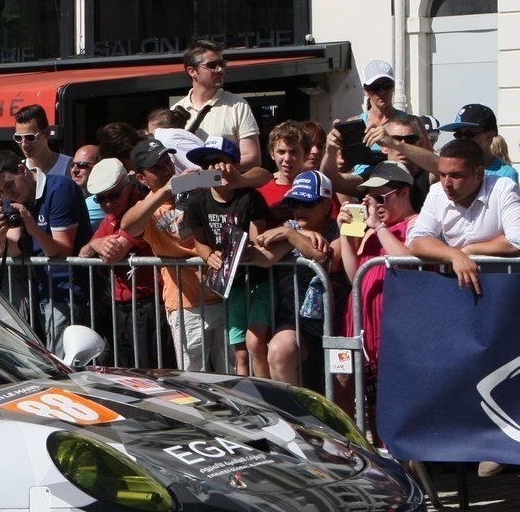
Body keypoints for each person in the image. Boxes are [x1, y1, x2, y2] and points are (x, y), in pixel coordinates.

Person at [117, 135, 226, 372]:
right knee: (195, 379)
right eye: (157, 168)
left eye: (167, 162)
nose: (166, 169)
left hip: (224, 295)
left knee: (233, 376)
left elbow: (247, 179)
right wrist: (166, 191)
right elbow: (127, 225)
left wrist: (209, 177)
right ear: (142, 178)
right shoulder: (148, 207)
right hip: (187, 304)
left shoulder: (197, 187)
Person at [338, 162, 423, 439]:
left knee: (396, 402)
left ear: (404, 192)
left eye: (380, 198)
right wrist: (346, 234)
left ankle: (405, 461)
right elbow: (355, 275)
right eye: (369, 198)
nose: (374, 205)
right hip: (365, 327)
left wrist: (378, 227)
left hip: (395, 328)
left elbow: (409, 262)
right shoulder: (375, 230)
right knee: (370, 400)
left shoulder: (416, 223)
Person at [180, 137, 273, 377]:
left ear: (233, 164)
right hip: (231, 286)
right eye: (206, 164)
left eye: (219, 161)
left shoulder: (249, 196)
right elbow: (199, 242)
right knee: (239, 354)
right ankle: (244, 398)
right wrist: (208, 255)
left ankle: (268, 395)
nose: (213, 168)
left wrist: (246, 250)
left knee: (255, 343)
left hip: (258, 281)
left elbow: (259, 239)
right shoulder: (197, 202)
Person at [0, 152, 93, 351]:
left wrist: (34, 228)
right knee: (44, 356)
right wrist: (1, 239)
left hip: (67, 291)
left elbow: (61, 250)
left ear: (22, 170)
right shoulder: (11, 200)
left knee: (62, 357)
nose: (8, 194)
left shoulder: (60, 189)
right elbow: (16, 248)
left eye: (9, 185)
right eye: (1, 192)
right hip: (37, 291)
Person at [407, 137, 520, 294]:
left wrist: (468, 251)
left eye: (456, 175)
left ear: (479, 173)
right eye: (442, 174)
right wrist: (454, 255)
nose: (447, 183)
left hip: (508, 291)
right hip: (461, 291)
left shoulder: (503, 188)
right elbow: (416, 240)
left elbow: (519, 241)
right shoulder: (436, 192)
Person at [254, 171, 344, 386]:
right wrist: (292, 234)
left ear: (327, 204)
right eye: (295, 203)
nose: (300, 209)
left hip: (337, 325)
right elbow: (261, 260)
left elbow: (329, 260)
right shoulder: (289, 227)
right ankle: (290, 409)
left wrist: (291, 235)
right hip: (296, 323)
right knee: (279, 351)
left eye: (308, 203)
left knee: (341, 387)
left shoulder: (339, 229)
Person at [78, 158, 158, 367]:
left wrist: (98, 246)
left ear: (128, 186)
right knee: (126, 371)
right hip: (122, 308)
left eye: (113, 195)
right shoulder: (112, 217)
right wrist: (95, 243)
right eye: (100, 199)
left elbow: (112, 254)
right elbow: (84, 253)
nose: (108, 203)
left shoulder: (142, 209)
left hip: (148, 305)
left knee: (150, 371)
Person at [173, 40, 261, 174]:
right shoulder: (175, 110)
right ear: (192, 71)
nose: (220, 69)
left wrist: (221, 166)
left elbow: (253, 158)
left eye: (222, 64)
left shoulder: (238, 105)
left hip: (226, 184)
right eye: (212, 65)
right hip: (190, 186)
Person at [439, 104, 520, 184]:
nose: (463, 140)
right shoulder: (448, 170)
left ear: (489, 136)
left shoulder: (505, 174)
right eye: (459, 134)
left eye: (469, 134)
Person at [13, 104, 71, 178]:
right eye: (18, 138)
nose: (24, 144)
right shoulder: (18, 171)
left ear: (47, 133)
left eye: (30, 137)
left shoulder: (68, 166)